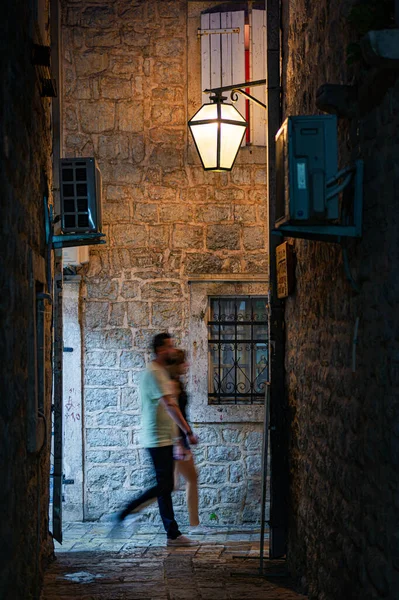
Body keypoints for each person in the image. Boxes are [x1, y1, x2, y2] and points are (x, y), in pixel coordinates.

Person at [114, 333, 199, 546]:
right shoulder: (155, 373)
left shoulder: (159, 372)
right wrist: (187, 432)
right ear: (161, 350)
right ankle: (127, 512)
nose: (173, 350)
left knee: (165, 486)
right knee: (164, 485)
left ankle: (172, 533)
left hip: (163, 438)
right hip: (157, 438)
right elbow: (170, 405)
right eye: (170, 347)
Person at [169, 350, 213, 535]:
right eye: (183, 363)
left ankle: (194, 523)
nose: (187, 366)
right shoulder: (171, 385)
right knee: (170, 485)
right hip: (175, 440)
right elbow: (171, 416)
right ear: (176, 365)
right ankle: (133, 511)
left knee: (189, 479)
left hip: (180, 440)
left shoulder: (177, 383)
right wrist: (178, 442)